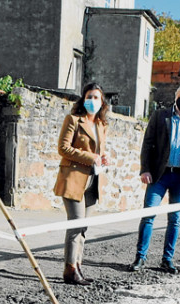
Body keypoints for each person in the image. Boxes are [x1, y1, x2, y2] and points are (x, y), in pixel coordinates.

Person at [130, 83, 180, 274]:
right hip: (159, 175)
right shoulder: (160, 116)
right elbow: (147, 144)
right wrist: (145, 169)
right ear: (176, 96)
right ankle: (140, 257)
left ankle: (167, 259)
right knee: (148, 214)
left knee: (175, 219)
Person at [54, 82, 110, 285]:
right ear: (83, 99)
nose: (92, 101)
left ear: (102, 102)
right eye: (89, 96)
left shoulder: (102, 125)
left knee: (84, 227)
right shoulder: (73, 120)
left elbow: (99, 151)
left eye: (96, 97)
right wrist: (90, 157)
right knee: (76, 224)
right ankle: (69, 269)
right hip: (74, 179)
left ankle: (78, 266)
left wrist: (103, 158)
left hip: (93, 180)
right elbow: (63, 148)